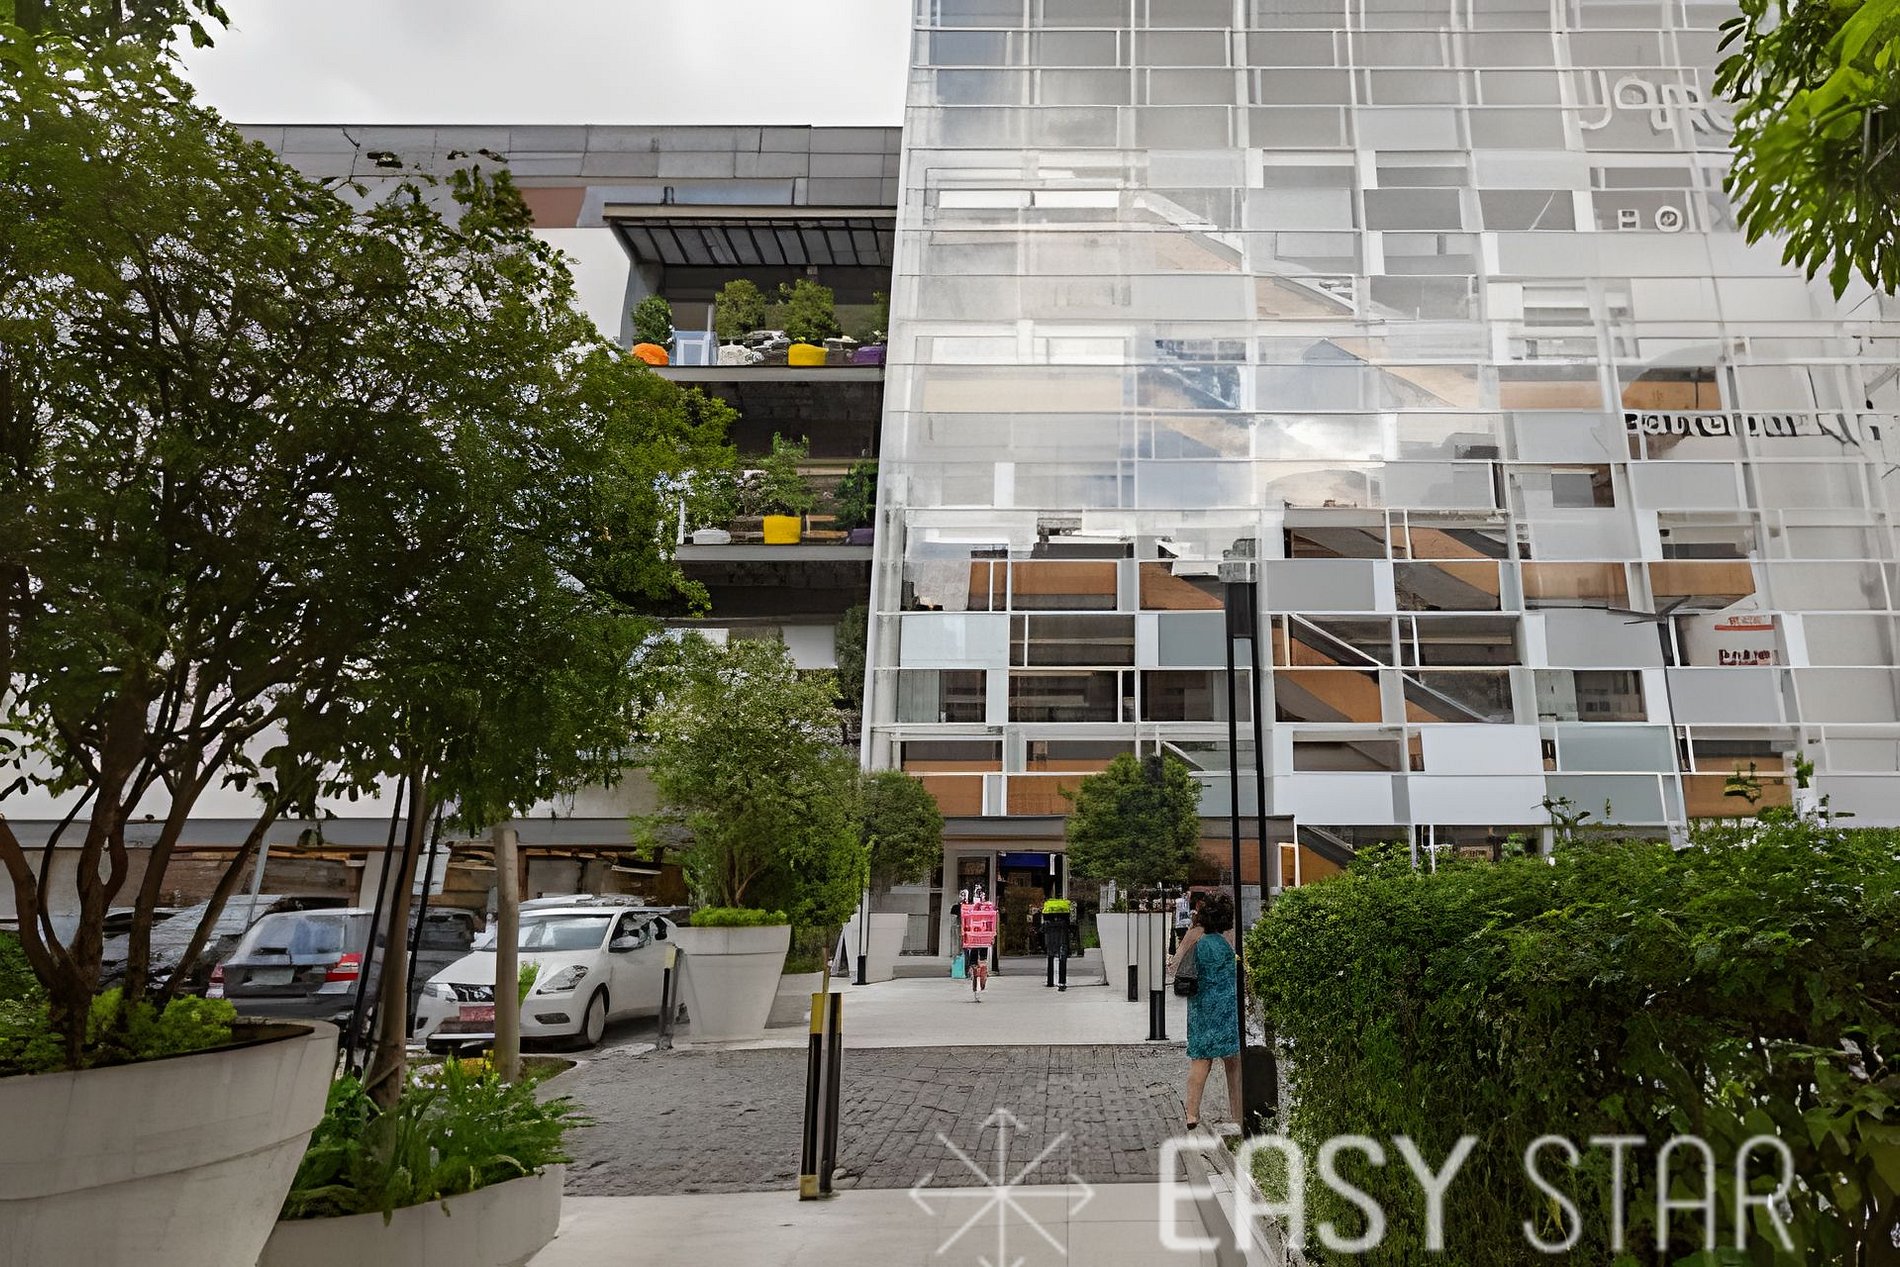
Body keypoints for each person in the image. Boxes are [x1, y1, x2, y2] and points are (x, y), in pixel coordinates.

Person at [1170, 891, 1240, 1131]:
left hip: (1201, 1007)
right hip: (1227, 1008)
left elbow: (1177, 967)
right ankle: (1237, 1113)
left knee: (1201, 1061)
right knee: (1233, 1061)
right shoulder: (1227, 944)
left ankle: (1192, 1113)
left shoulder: (1197, 941)